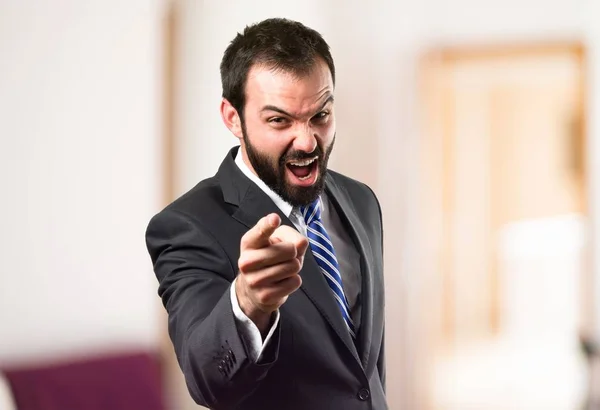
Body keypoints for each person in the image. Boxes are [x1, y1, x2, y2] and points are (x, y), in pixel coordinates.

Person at [145, 18, 386, 410]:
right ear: (232, 118)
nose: (307, 141)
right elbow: (207, 381)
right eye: (279, 120)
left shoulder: (361, 201)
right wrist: (248, 302)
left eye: (320, 116)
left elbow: (365, 372)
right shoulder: (185, 226)